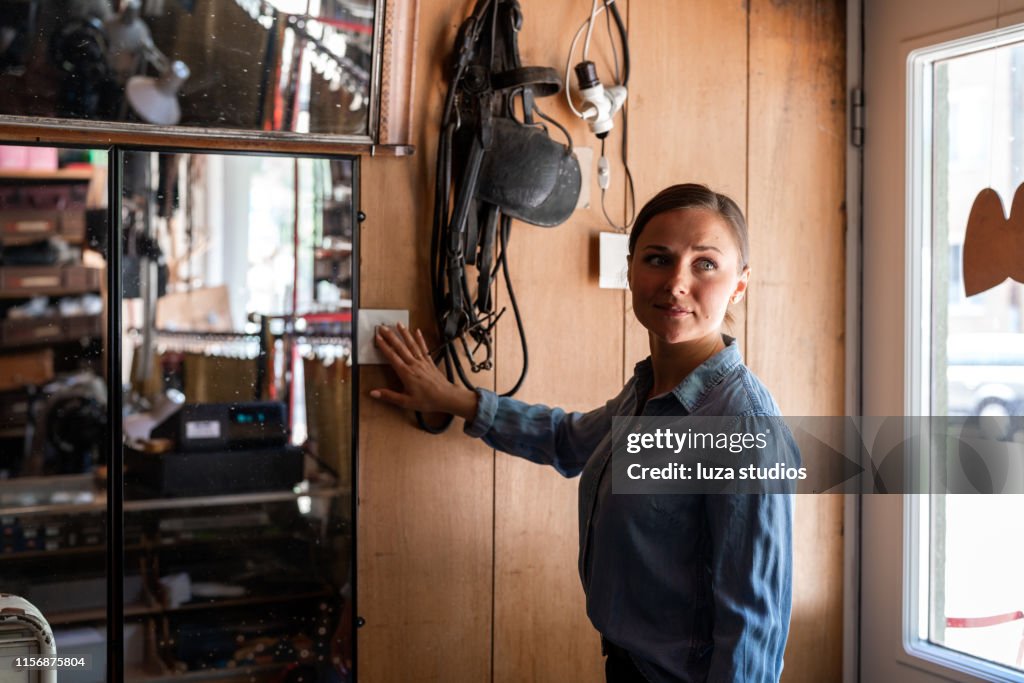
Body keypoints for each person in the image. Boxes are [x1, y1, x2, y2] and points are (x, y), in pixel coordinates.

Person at [370, 183, 796, 683]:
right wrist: (450, 398)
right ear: (631, 269)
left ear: (739, 285)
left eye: (705, 263)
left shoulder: (741, 423)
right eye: (657, 259)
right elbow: (568, 440)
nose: (677, 283)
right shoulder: (649, 393)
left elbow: (754, 626)